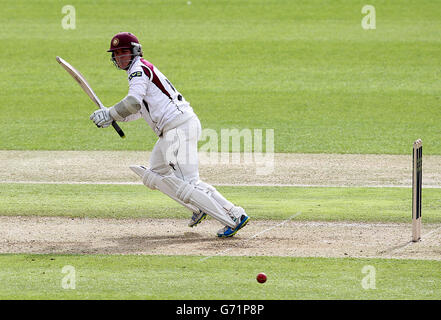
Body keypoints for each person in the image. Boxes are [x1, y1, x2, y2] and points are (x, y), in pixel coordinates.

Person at [90, 32, 250, 237]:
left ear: (135, 52)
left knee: (190, 182)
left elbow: (132, 103)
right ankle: (198, 207)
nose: (120, 57)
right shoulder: (142, 70)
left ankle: (233, 216)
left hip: (177, 129)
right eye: (117, 54)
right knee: (155, 174)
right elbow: (138, 110)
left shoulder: (138, 69)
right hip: (173, 130)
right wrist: (111, 117)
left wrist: (109, 113)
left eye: (124, 52)